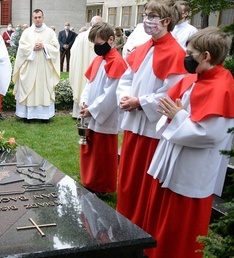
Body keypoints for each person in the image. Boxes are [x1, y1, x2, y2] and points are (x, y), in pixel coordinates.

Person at [143, 27, 234, 258]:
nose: (186, 57)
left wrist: (178, 117)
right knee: (161, 214)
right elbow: (172, 107)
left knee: (180, 224)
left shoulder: (222, 86)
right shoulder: (196, 78)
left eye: (191, 53)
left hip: (193, 166)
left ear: (206, 56)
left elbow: (211, 134)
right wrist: (174, 115)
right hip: (172, 155)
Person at [116, 0, 187, 229]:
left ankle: (139, 224)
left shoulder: (176, 52)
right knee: (128, 177)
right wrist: (125, 96)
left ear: (166, 21)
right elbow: (127, 76)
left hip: (151, 128)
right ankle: (123, 218)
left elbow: (173, 91)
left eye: (152, 16)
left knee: (142, 180)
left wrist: (140, 102)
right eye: (145, 14)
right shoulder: (146, 46)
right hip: (133, 123)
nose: (146, 20)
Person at [79, 22, 127, 194]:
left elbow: (111, 94)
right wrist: (84, 102)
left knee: (102, 153)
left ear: (111, 39)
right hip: (91, 111)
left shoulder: (117, 62)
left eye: (99, 44)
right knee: (90, 149)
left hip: (105, 115)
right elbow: (89, 83)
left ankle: (101, 185)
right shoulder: (99, 59)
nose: (97, 48)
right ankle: (89, 180)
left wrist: (92, 109)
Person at [12, 9, 60, 123]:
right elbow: (22, 47)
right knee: (29, 88)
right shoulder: (27, 32)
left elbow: (56, 48)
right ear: (32, 18)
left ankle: (44, 116)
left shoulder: (50, 32)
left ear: (43, 18)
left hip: (44, 68)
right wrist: (32, 47)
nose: (37, 19)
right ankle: (27, 115)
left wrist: (44, 46)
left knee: (43, 89)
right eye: (35, 17)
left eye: (39, 17)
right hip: (30, 66)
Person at [69, 16, 102, 118]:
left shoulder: (81, 36)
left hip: (81, 68)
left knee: (81, 85)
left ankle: (77, 113)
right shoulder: (100, 37)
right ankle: (91, 111)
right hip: (94, 69)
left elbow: (72, 52)